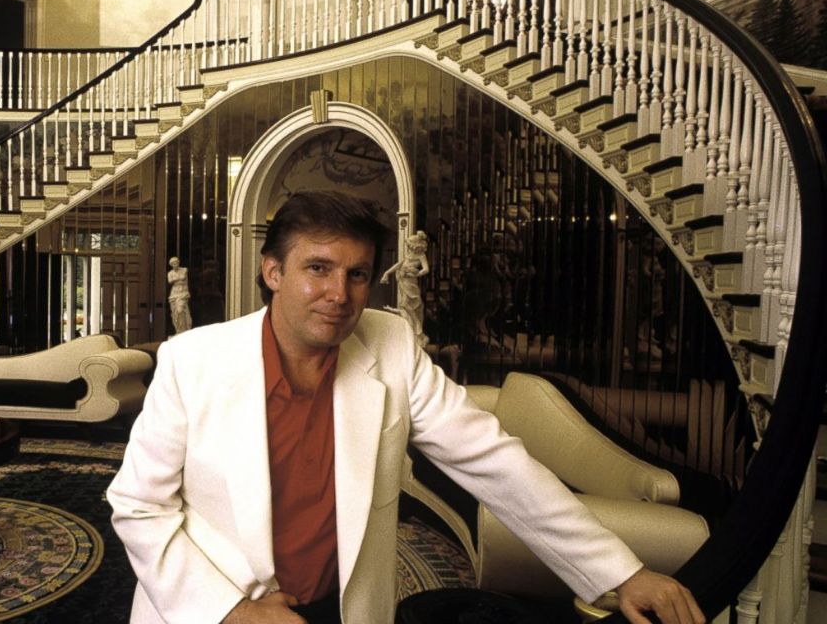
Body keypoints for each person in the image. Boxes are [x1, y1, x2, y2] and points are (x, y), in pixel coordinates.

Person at [108, 190, 704, 624]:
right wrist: (230, 610)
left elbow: (496, 462)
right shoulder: (192, 361)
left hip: (343, 607)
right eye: (318, 269)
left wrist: (620, 572)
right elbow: (137, 505)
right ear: (272, 272)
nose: (339, 294)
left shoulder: (390, 342)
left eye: (357, 274)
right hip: (211, 609)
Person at [167, 256, 192, 335]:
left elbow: (184, 278)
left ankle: (184, 330)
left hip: (182, 292)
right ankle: (179, 331)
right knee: (175, 313)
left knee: (180, 310)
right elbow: (170, 281)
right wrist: (179, 278)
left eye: (177, 263)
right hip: (174, 293)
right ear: (171, 265)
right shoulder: (170, 273)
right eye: (174, 264)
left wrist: (176, 279)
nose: (176, 265)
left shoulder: (184, 270)